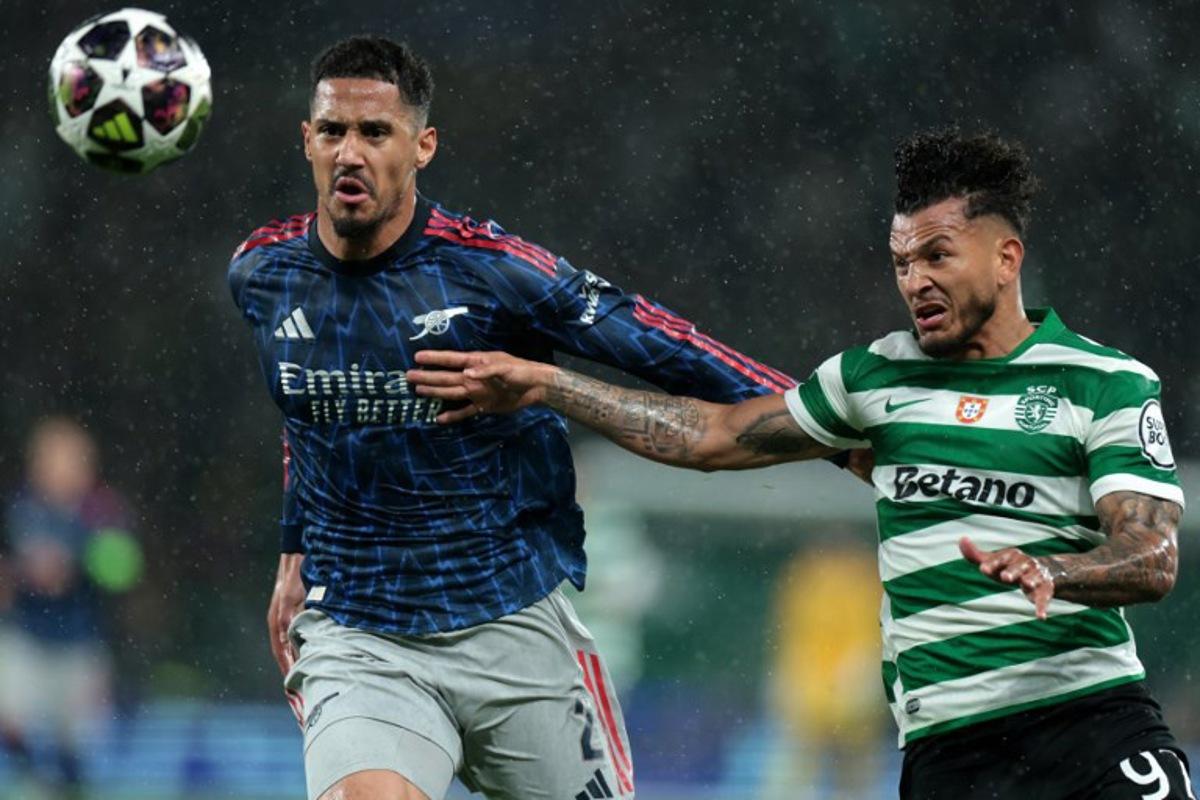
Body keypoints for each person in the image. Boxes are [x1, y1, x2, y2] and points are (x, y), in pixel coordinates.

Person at [409, 129, 1193, 798]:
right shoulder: (873, 378)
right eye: (900, 262)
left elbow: (1151, 555)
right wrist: (549, 384)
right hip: (950, 757)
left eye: (937, 256)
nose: (913, 280)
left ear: (1006, 257)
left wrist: (1060, 570)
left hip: (1090, 725)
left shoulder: (1104, 382)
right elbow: (713, 435)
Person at [226, 35, 806, 800]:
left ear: (422, 145)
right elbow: (310, 408)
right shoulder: (263, 274)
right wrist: (293, 550)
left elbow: (664, 346)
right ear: (307, 140)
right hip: (361, 633)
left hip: (512, 623)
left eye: (376, 133)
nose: (350, 153)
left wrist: (820, 418)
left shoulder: (492, 272)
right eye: (333, 131)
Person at [0, 417, 139, 798]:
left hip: (80, 643)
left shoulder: (101, 511)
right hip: (25, 636)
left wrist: (75, 562)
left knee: (76, 743)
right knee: (11, 714)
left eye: (71, 460)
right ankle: (35, 777)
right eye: (52, 459)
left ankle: (62, 785)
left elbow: (123, 571)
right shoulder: (18, 507)